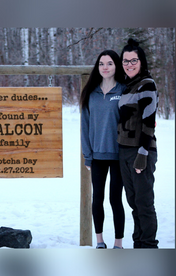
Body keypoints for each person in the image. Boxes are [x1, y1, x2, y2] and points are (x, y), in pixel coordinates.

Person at [80, 50, 126, 249]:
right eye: (101, 64)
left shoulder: (124, 91)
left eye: (109, 63)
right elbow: (85, 126)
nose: (105, 67)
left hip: (119, 155)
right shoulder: (91, 94)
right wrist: (87, 156)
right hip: (97, 156)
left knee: (115, 199)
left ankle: (118, 243)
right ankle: (99, 241)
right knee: (97, 198)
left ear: (116, 66)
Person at [118, 38, 159, 248]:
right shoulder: (127, 87)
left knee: (144, 203)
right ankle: (138, 244)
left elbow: (148, 121)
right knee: (134, 203)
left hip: (140, 151)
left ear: (141, 61)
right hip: (124, 152)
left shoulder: (146, 84)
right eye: (125, 61)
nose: (129, 64)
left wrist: (142, 154)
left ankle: (149, 246)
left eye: (133, 60)